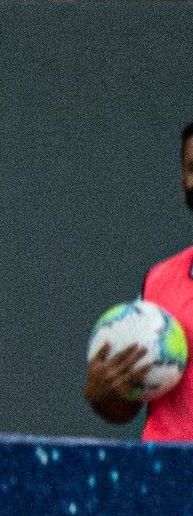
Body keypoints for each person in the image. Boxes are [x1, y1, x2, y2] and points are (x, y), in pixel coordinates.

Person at [85, 121, 193, 440]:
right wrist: (105, 392)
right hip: (162, 478)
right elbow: (126, 408)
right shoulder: (159, 279)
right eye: (192, 167)